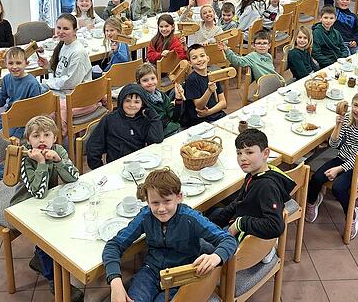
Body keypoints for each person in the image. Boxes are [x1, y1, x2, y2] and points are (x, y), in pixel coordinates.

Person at [103, 168, 237, 302]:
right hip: (151, 271)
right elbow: (114, 245)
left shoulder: (191, 218)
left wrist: (216, 256)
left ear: (179, 197)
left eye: (167, 201)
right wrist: (115, 282)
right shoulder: (145, 217)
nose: (161, 209)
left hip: (182, 274)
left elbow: (228, 240)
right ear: (147, 201)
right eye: (155, 203)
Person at [9, 116, 81, 300]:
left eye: (47, 135)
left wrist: (58, 161)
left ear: (55, 138)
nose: (42, 140)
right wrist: (41, 163)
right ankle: (54, 281)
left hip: (48, 202)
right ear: (28, 140)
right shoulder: (25, 158)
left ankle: (39, 260)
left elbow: (74, 178)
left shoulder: (58, 151)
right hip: (24, 206)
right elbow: (38, 192)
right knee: (47, 240)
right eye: (36, 136)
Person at [305, 91, 358, 241]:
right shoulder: (348, 120)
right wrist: (338, 125)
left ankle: (352, 214)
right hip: (342, 157)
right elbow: (334, 144)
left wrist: (339, 169)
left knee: (338, 187)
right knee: (317, 178)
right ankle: (312, 201)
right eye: (355, 105)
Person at [209, 129, 295, 245]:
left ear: (265, 153)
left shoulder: (266, 186)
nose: (242, 158)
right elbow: (239, 201)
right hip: (244, 218)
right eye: (239, 153)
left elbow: (275, 226)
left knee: (199, 246)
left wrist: (240, 223)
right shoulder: (253, 174)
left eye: (249, 152)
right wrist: (214, 222)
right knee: (215, 214)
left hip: (246, 240)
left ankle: (265, 253)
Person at [36, 14, 98, 131]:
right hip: (65, 91)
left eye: (66, 29)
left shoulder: (77, 52)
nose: (61, 31)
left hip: (76, 96)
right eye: (58, 28)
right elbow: (63, 70)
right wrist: (48, 66)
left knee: (41, 104)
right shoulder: (64, 45)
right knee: (34, 95)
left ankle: (54, 137)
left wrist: (48, 83)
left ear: (75, 31)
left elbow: (71, 82)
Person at [0, 47, 45, 139]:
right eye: (10, 63)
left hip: (24, 121)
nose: (14, 67)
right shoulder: (6, 79)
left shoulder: (32, 84)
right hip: (8, 116)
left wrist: (18, 134)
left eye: (18, 63)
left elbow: (34, 114)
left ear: (26, 64)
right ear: (5, 64)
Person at [85, 84, 163, 169]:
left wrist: (153, 116)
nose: (132, 105)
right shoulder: (109, 120)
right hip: (116, 167)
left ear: (143, 104)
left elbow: (156, 140)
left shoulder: (144, 120)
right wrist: (100, 169)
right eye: (128, 101)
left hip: (139, 166)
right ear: (121, 101)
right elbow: (93, 147)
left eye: (137, 102)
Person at [181, 44, 227, 127]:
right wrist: (209, 91)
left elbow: (223, 103)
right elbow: (199, 106)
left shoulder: (212, 75)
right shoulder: (192, 79)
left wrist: (209, 112)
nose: (199, 60)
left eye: (202, 56)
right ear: (190, 63)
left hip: (215, 115)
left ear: (207, 58)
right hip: (201, 121)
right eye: (194, 58)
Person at [136, 63, 183, 138]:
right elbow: (153, 125)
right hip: (158, 136)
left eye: (153, 78)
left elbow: (175, 118)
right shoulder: (141, 101)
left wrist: (178, 99)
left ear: (157, 79)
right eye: (145, 80)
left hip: (171, 130)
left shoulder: (162, 95)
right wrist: (168, 120)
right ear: (139, 84)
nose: (150, 82)